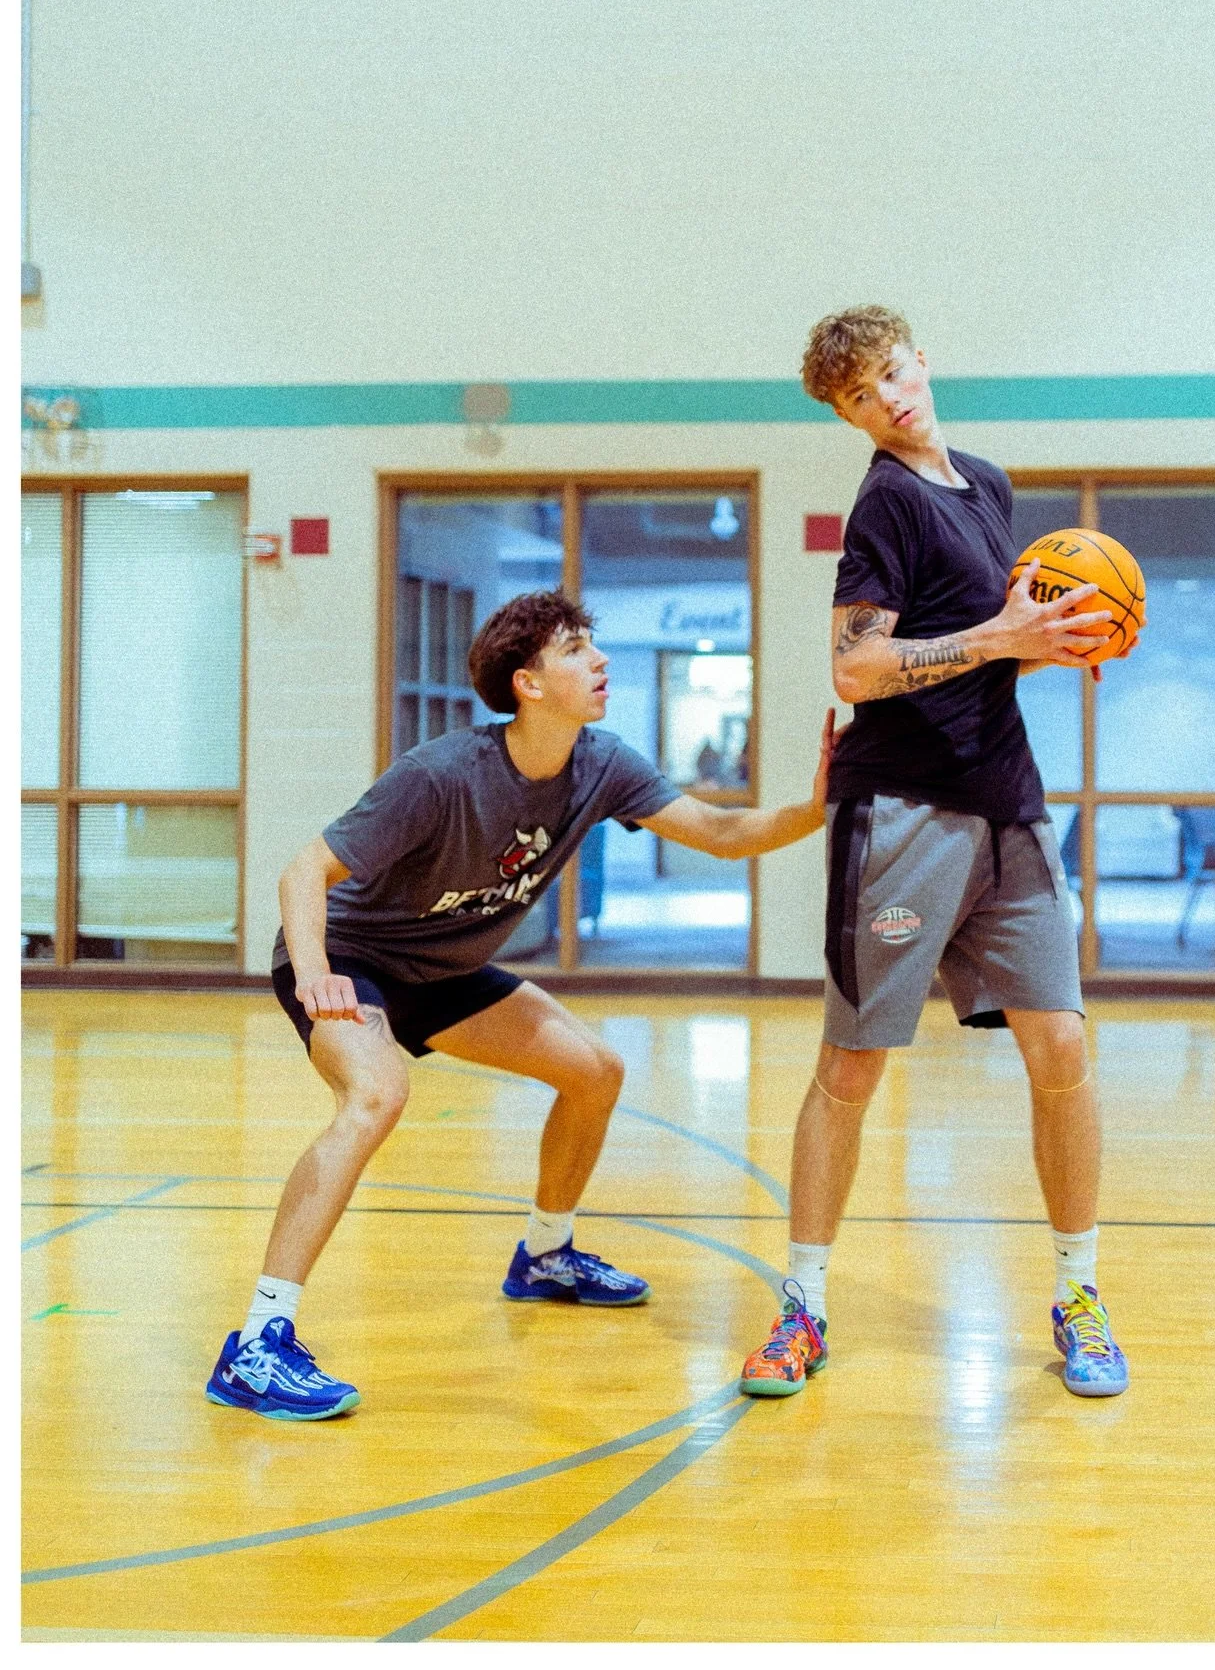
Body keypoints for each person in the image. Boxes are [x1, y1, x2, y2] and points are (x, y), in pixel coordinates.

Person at [208, 589, 833, 1420]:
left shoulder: (602, 764)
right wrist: (319, 974)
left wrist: (816, 807)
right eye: (577, 649)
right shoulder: (440, 775)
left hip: (445, 969)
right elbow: (303, 871)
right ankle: (257, 1343)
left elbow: (722, 834)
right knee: (376, 1094)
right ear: (528, 683)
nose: (599, 660)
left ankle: (545, 1255)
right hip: (353, 960)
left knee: (594, 1072)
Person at [738, 306, 1132, 1404]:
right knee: (853, 1066)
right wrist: (1002, 639)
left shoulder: (988, 485)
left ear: (924, 358)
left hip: (1008, 804)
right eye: (860, 396)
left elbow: (976, 652)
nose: (888, 400)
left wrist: (1046, 644)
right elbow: (856, 670)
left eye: (893, 373)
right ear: (846, 414)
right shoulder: (887, 503)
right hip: (903, 814)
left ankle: (1080, 1293)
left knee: (1063, 1050)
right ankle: (804, 1307)